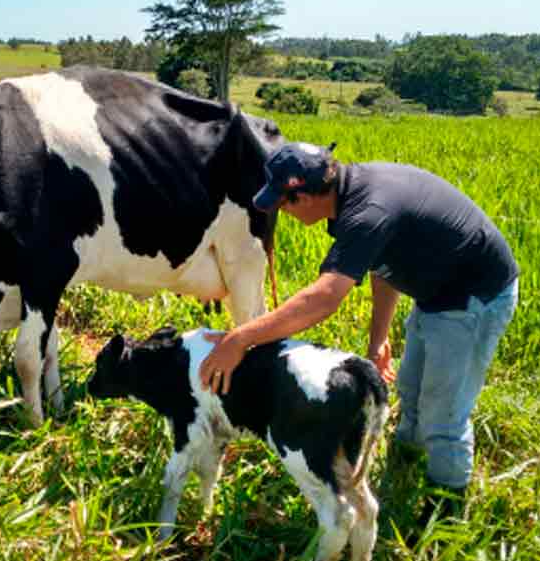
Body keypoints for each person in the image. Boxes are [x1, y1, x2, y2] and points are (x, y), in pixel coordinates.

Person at [199, 141, 519, 521]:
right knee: (413, 394)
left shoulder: (367, 212)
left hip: (472, 300)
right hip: (436, 296)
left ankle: (443, 520)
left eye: (284, 203)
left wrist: (240, 338)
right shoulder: (353, 194)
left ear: (303, 195)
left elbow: (324, 298)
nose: (282, 212)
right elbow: (385, 264)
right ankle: (400, 484)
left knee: (442, 417)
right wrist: (378, 339)